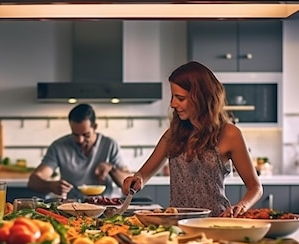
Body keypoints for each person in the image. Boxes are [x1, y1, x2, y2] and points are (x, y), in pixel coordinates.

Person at [121, 61, 263, 217]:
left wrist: (242, 205)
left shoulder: (230, 134)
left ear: (201, 98)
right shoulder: (173, 134)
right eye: (173, 96)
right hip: (177, 225)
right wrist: (136, 180)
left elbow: (255, 187)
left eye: (180, 98)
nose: (173, 103)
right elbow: (143, 174)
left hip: (214, 224)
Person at [28, 103, 132, 199]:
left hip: (106, 206)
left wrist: (111, 169)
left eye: (86, 135)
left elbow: (128, 183)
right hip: (72, 208)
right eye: (75, 134)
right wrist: (50, 185)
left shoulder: (110, 145)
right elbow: (34, 181)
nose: (80, 140)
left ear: (95, 127)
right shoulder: (58, 146)